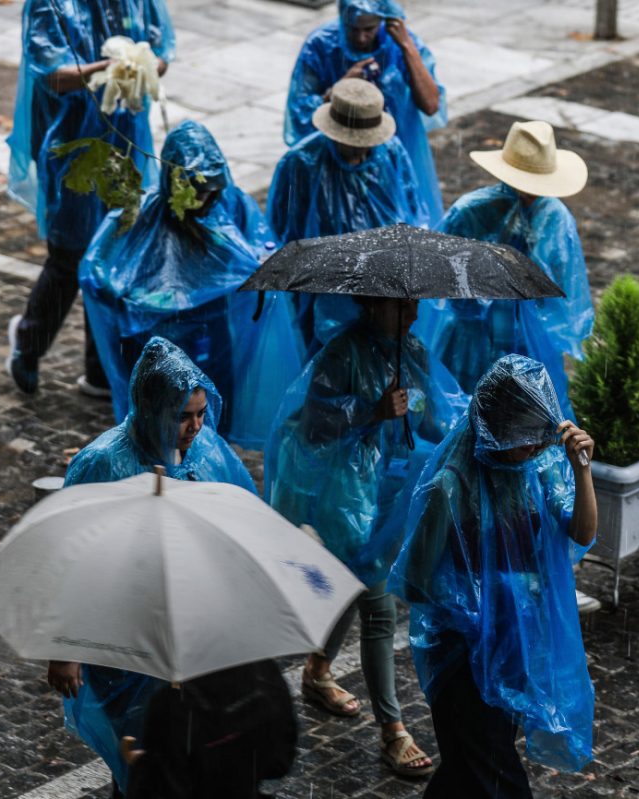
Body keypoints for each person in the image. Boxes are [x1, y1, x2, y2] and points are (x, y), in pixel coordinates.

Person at [264, 295, 466, 778]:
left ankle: (317, 670)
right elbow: (314, 427)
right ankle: (393, 730)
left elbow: (430, 414)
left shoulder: (410, 350)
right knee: (377, 606)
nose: (413, 315)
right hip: (345, 496)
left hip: (389, 491)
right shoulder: (340, 355)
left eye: (415, 305)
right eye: (402, 306)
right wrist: (372, 410)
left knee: (350, 588)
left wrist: (430, 418)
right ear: (373, 304)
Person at [48, 337, 256, 797]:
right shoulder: (105, 463)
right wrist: (66, 646)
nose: (195, 427)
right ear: (153, 408)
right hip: (126, 637)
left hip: (191, 629)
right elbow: (72, 555)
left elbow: (241, 515)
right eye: (183, 416)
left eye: (201, 414)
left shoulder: (205, 451)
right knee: (139, 752)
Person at [390, 355, 598, 797]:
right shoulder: (451, 486)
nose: (536, 449)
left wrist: (582, 470)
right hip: (463, 656)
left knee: (470, 768)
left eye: (540, 440)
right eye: (527, 442)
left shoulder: (535, 468)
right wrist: (486, 595)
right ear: (497, 429)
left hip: (515, 644)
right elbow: (414, 581)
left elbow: (581, 531)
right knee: (494, 772)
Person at [79, 120, 301, 448]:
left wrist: (260, 264)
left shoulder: (231, 204)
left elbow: (261, 246)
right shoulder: (143, 213)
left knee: (209, 407)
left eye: (211, 190)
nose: (204, 198)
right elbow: (95, 268)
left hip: (214, 330)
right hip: (158, 334)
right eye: (198, 190)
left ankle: (206, 458)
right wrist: (125, 296)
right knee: (161, 413)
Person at [6, 0, 174, 397]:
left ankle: (100, 367)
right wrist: (108, 71)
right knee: (69, 255)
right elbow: (52, 76)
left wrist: (143, 67)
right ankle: (28, 346)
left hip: (126, 140)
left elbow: (161, 51)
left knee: (116, 255)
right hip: (71, 145)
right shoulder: (51, 5)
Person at [414, 120, 593, 417]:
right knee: (468, 415)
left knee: (526, 419)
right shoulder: (471, 211)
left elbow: (565, 289)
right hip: (472, 338)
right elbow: (440, 271)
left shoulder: (555, 218)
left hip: (529, 339)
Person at [268, 77, 427, 349]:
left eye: (366, 141)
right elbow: (284, 231)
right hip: (323, 289)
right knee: (329, 358)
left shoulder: (391, 154)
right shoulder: (301, 163)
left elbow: (412, 211)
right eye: (351, 141)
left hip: (384, 283)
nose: (360, 148)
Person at [285, 0, 444, 223]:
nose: (361, 38)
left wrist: (407, 47)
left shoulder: (399, 45)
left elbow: (430, 104)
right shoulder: (321, 45)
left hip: (391, 158)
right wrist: (342, 87)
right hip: (337, 159)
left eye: (369, 29)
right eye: (353, 29)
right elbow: (300, 113)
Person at [124, 659, 298, 799]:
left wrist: (140, 763)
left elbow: (161, 790)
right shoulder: (264, 673)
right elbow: (279, 763)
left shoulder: (171, 706)